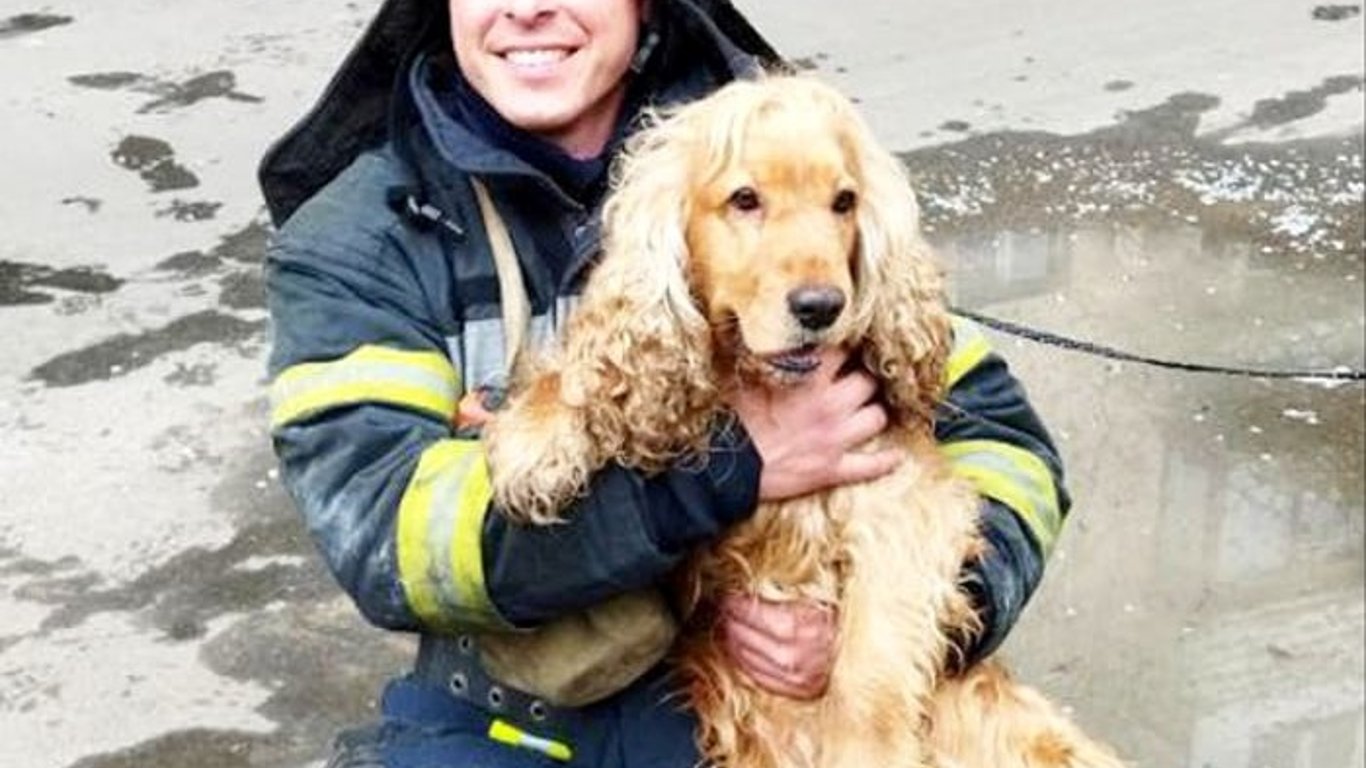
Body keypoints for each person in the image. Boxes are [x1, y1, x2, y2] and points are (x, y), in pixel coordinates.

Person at [259, 0, 1069, 765]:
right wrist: (728, 465)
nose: (528, 8)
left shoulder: (772, 146)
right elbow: (390, 539)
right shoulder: (356, 241)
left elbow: (1004, 446)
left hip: (760, 709)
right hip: (510, 720)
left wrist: (892, 629)